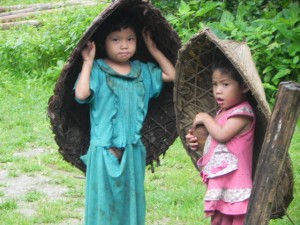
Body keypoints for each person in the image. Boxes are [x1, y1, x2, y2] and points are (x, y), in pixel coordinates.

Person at [74, 14, 175, 225]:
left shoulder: (143, 71)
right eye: (116, 39)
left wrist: (154, 50)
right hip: (103, 151)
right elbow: (82, 95)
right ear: (103, 42)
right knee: (102, 209)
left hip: (132, 151)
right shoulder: (98, 70)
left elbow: (172, 75)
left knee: (132, 208)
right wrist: (87, 62)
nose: (124, 45)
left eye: (130, 39)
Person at [185, 58, 255, 225]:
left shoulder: (242, 113)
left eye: (225, 84)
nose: (218, 91)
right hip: (222, 185)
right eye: (215, 84)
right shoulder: (222, 112)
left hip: (236, 187)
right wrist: (197, 142)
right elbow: (218, 146)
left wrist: (205, 117)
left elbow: (222, 135)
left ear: (244, 86)